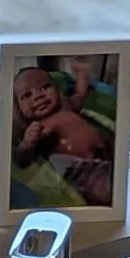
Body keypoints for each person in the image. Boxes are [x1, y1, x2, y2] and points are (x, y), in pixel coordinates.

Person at [13, 58, 115, 206]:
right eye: (27, 95)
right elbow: (22, 160)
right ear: (18, 108)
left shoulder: (66, 105)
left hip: (105, 152)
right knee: (104, 192)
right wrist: (28, 143)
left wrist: (82, 74)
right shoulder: (35, 127)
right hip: (82, 168)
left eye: (44, 87)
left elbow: (80, 94)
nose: (38, 96)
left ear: (57, 90)